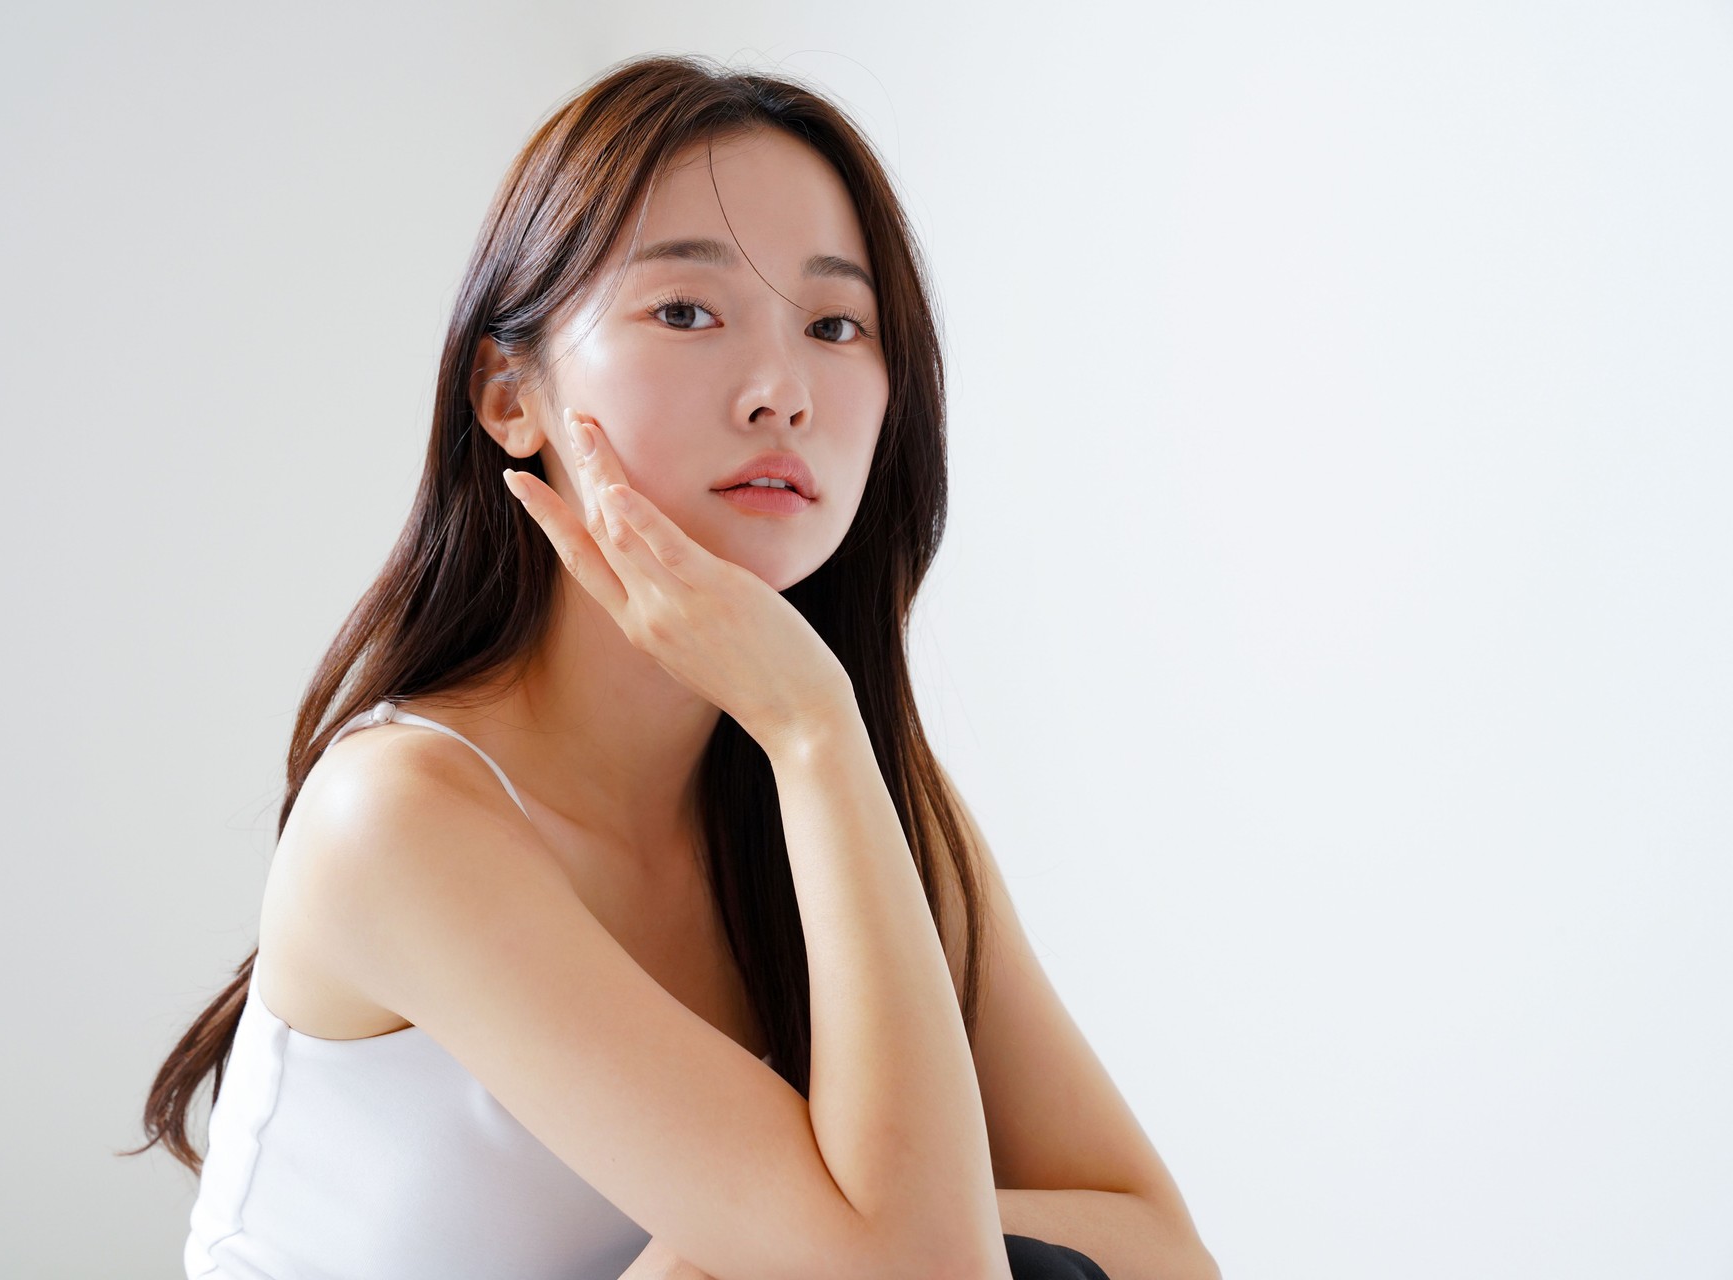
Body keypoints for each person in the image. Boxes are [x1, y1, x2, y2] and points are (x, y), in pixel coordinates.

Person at [126, 53, 1219, 1280]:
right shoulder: (400, 816)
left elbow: (1169, 1254)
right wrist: (809, 723)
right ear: (508, 395)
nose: (780, 392)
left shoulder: (853, 793)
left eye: (834, 325)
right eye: (688, 312)